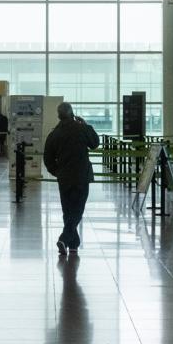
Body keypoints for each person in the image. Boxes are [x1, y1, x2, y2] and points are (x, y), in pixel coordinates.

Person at [43, 102, 99, 255]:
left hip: (64, 178)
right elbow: (95, 143)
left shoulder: (54, 134)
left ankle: (73, 243)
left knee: (68, 210)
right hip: (81, 176)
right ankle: (64, 238)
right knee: (77, 209)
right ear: (72, 113)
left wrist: (58, 172)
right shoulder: (81, 129)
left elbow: (47, 158)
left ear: (58, 115)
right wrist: (86, 125)